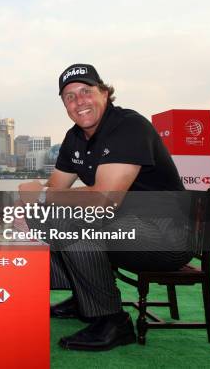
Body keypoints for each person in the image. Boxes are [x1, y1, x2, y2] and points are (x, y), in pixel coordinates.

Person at [19, 63, 191, 351]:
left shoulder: (128, 126)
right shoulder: (74, 137)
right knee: (42, 217)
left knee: (70, 220)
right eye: (69, 97)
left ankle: (113, 321)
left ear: (104, 92)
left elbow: (103, 198)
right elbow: (55, 189)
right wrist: (30, 206)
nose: (79, 102)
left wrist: (40, 198)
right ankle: (83, 296)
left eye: (86, 91)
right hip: (122, 228)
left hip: (166, 236)